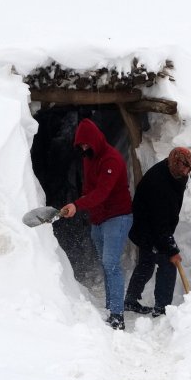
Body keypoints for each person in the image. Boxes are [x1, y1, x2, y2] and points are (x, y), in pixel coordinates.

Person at [60, 118, 133, 330]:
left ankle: (117, 315)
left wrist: (77, 205)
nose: (84, 148)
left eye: (86, 144)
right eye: (81, 145)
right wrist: (84, 207)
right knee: (105, 263)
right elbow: (88, 189)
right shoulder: (88, 157)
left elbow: (101, 193)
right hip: (99, 220)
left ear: (95, 140)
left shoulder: (111, 159)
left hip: (117, 217)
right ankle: (111, 308)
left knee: (111, 264)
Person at [124, 147, 191, 317]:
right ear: (175, 164)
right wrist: (171, 249)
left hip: (154, 225)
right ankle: (162, 308)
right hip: (148, 227)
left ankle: (131, 300)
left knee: (147, 263)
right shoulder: (159, 182)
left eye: (188, 170)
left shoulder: (175, 172)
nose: (186, 173)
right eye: (183, 169)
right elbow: (159, 222)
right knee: (168, 264)